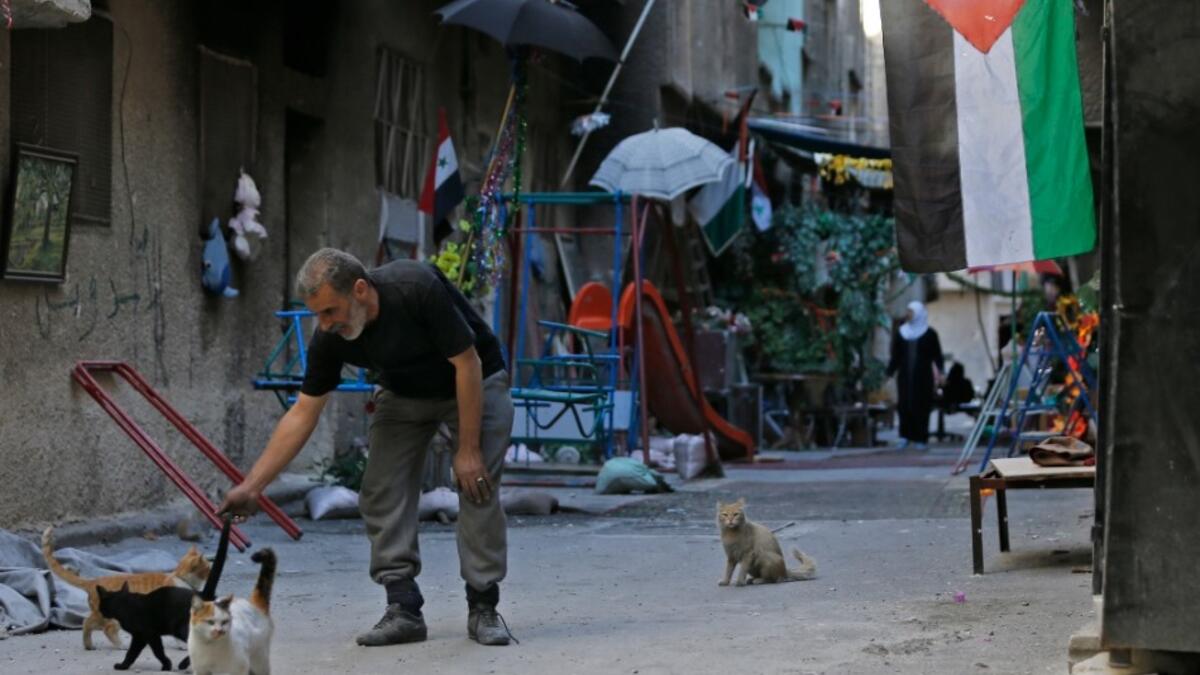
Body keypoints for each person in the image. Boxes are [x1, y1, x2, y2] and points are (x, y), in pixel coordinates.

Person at [218, 248, 516, 647]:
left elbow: (467, 363)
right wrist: (252, 486)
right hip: (403, 392)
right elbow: (303, 412)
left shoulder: (414, 287)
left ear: (360, 290)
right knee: (379, 490)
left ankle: (483, 605)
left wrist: (468, 449)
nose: (324, 324)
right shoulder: (331, 336)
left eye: (330, 311)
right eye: (317, 315)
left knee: (475, 483)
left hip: (474, 380)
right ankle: (403, 607)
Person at [886, 301, 944, 450]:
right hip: (905, 377)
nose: (908, 314)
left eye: (911, 312)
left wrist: (941, 372)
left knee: (922, 406)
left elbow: (937, 355)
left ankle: (921, 438)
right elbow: (896, 356)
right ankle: (905, 437)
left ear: (918, 313)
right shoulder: (901, 332)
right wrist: (889, 373)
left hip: (923, 377)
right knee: (904, 406)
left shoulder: (930, 333)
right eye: (908, 311)